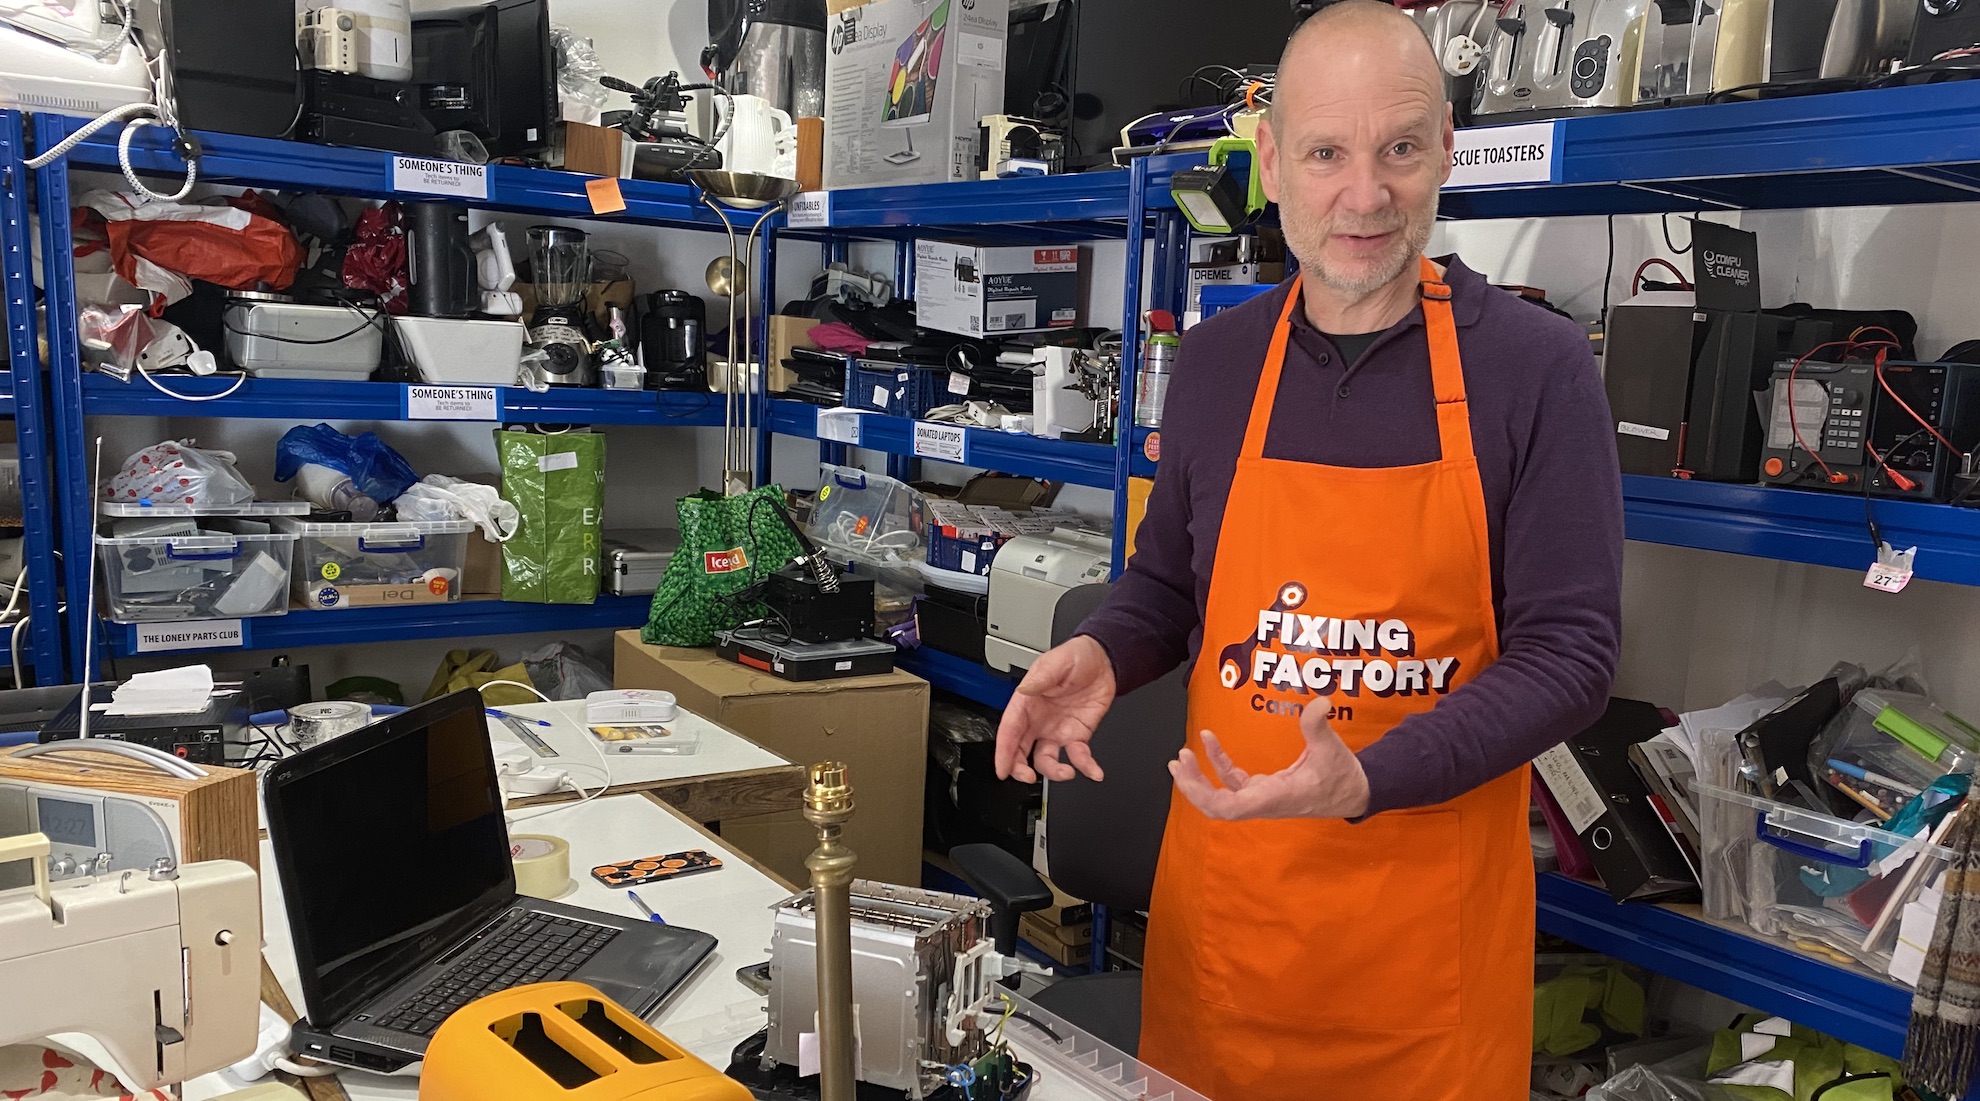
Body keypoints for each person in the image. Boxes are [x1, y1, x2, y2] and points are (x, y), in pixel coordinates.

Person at [992, 3, 1625, 1098]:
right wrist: (1106, 654)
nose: (1365, 196)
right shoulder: (1218, 363)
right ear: (1273, 162)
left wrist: (1373, 775)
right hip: (1230, 950)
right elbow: (1169, 583)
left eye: (1400, 150)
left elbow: (1572, 656)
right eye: (1327, 152)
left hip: (1426, 974)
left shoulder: (1538, 368)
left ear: (1446, 155)